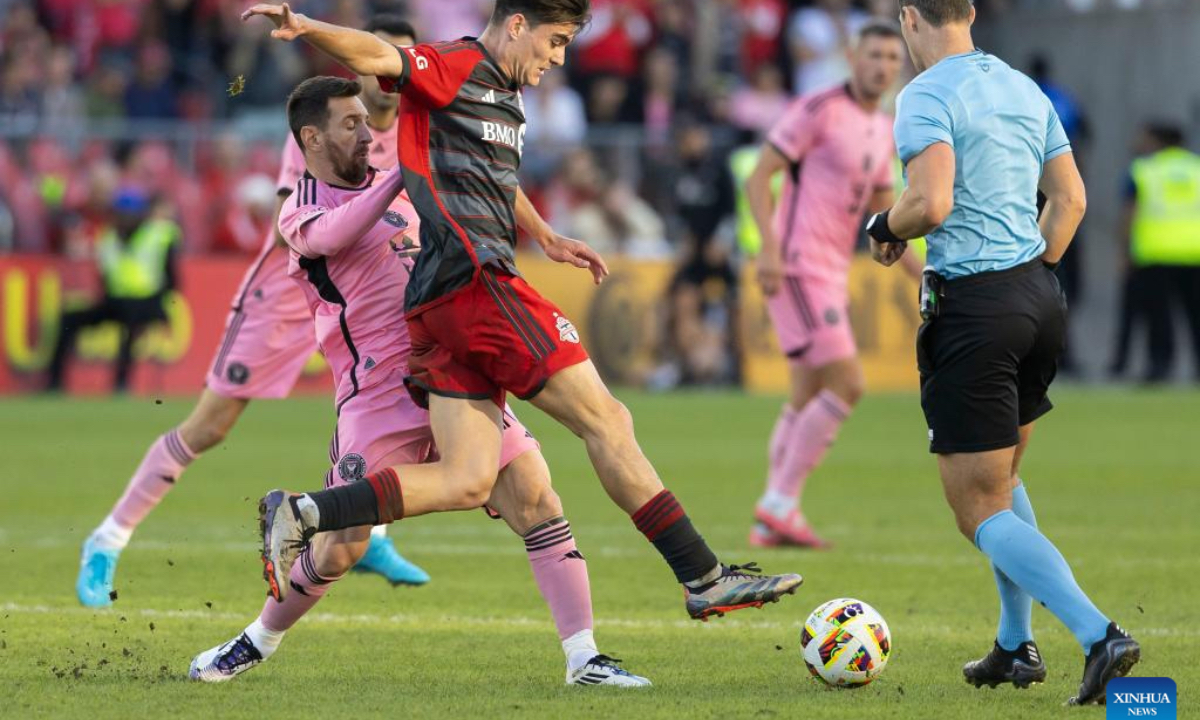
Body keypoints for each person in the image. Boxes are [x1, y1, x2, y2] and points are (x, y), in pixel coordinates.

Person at [242, 0, 802, 621]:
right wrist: (306, 26)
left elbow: (495, 182)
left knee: (467, 479)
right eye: (555, 41)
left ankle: (305, 511)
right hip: (477, 284)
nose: (557, 59)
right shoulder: (456, 65)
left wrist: (545, 234)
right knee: (607, 421)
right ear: (516, 26)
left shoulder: (503, 99)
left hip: (435, 301)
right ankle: (702, 575)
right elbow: (381, 57)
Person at [190, 77, 649, 687]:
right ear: (311, 137)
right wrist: (399, 179)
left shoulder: (394, 180)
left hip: (452, 369)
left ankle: (584, 658)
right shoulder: (300, 208)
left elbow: (480, 185)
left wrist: (541, 233)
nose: (366, 131)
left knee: (536, 497)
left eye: (366, 119)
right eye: (349, 123)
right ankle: (256, 640)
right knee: (341, 546)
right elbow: (334, 235)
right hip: (375, 391)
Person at [73, 17, 429, 610]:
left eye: (403, 63)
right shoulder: (322, 127)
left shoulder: (421, 129)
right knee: (209, 426)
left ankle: (371, 537)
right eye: (382, 60)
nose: (391, 73)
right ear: (363, 63)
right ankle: (106, 540)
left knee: (387, 412)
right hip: (291, 293)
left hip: (372, 299)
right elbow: (293, 223)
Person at [865, 0, 1138, 705]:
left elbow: (929, 204)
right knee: (1006, 480)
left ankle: (1098, 633)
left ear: (908, 18)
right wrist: (1029, 276)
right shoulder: (1023, 86)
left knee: (976, 508)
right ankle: (1016, 647)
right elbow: (1070, 200)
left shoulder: (925, 93)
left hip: (975, 309)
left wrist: (881, 223)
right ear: (972, 12)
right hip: (1039, 297)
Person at [744, 20, 911, 549]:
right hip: (797, 266)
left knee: (807, 391)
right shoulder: (819, 108)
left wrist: (918, 268)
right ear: (852, 57)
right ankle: (778, 504)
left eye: (891, 58)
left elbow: (885, 214)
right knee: (849, 383)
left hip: (831, 272)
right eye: (874, 55)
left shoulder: (884, 128)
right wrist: (768, 250)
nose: (882, 66)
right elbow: (758, 176)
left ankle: (771, 517)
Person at [46, 189, 178, 394]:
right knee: (68, 319)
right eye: (120, 214)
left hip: (148, 302)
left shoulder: (159, 235)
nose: (123, 219)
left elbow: (173, 280)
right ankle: (54, 383)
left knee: (130, 321)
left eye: (128, 214)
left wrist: (160, 303)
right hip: (116, 301)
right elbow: (105, 277)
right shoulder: (107, 237)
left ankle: (121, 384)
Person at [1111, 123, 1200, 383]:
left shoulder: (1144, 170)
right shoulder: (1196, 168)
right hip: (1194, 252)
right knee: (1195, 315)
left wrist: (1124, 250)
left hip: (1154, 252)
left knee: (1159, 317)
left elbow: (1130, 212)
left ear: (1157, 140)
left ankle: (1160, 366)